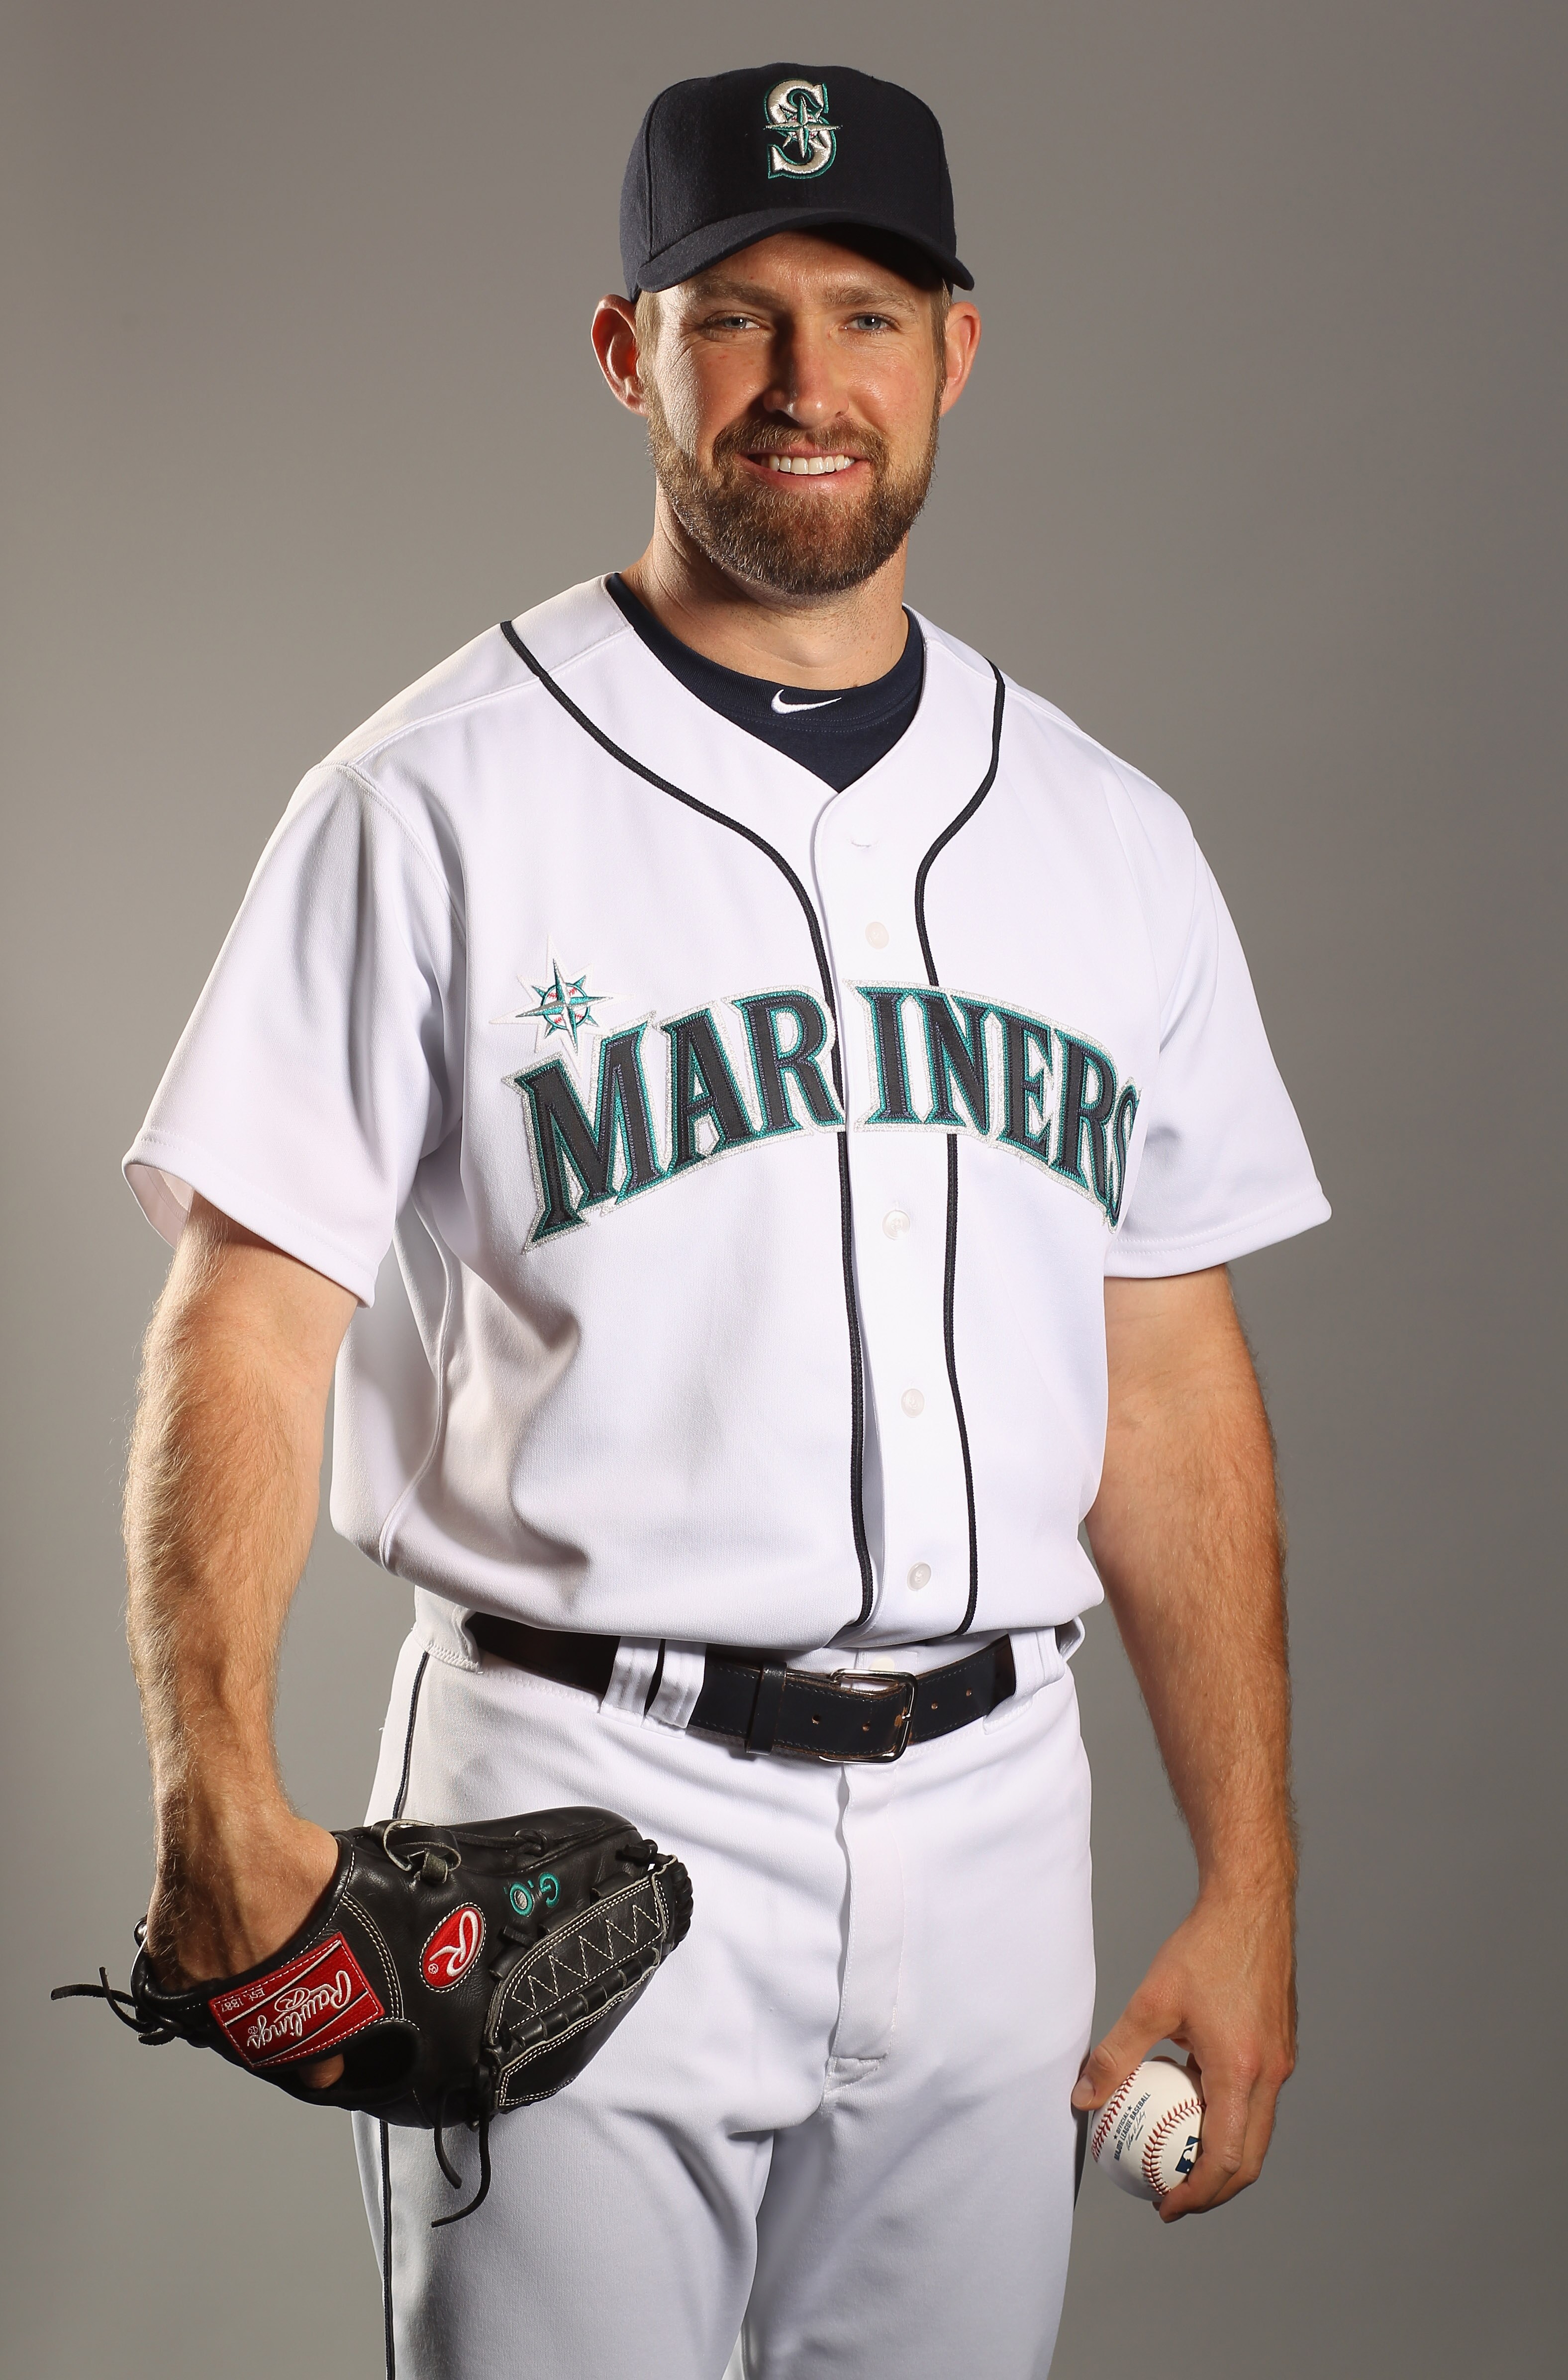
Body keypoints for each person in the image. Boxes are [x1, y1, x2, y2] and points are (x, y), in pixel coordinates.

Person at [120, 61, 1328, 2380]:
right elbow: (252, 1316)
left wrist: (1249, 1880)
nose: (804, 382)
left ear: (952, 353)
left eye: (862, 313)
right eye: (735, 315)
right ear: (627, 353)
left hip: (996, 1819)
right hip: (571, 1809)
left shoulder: (1104, 833)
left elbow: (1164, 1374)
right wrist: (214, 1781)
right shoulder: (431, 795)